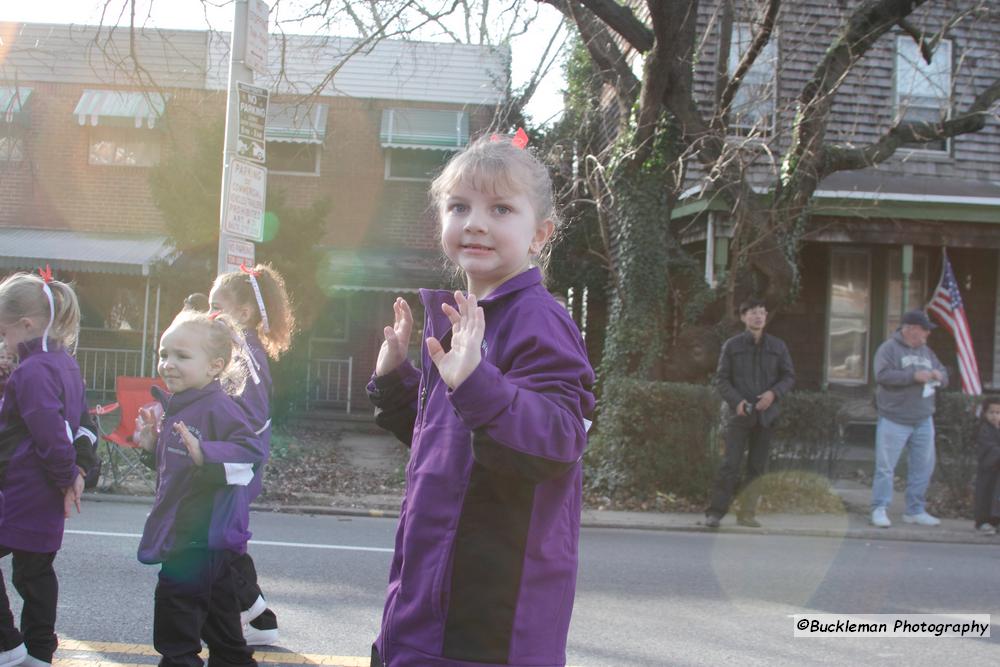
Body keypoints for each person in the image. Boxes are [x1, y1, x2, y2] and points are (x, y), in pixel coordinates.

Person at [367, 133, 595, 667]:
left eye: (501, 209)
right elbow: (443, 439)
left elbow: (559, 438)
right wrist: (396, 378)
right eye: (459, 206)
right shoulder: (462, 317)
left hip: (490, 613)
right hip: (424, 593)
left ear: (540, 234)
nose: (475, 222)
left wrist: (476, 382)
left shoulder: (538, 319)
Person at [135, 309, 264, 667]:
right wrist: (151, 449)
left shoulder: (218, 406)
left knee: (176, 633)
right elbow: (178, 469)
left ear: (214, 367)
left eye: (182, 356)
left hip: (196, 536)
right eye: (164, 354)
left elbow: (252, 455)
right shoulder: (181, 406)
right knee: (224, 634)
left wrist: (205, 453)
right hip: (201, 541)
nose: (168, 364)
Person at [0, 270, 87, 667]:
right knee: (35, 573)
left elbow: (48, 432)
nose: (4, 341)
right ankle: (37, 651)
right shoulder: (64, 363)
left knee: (32, 573)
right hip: (46, 490)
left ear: (27, 324)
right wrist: (73, 476)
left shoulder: (31, 371)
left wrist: (68, 474)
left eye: (5, 332)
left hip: (23, 488)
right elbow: (73, 424)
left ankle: (9, 646)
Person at [207, 264, 294, 646]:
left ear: (242, 313)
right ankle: (260, 622)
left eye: (215, 306)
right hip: (233, 462)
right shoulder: (240, 350)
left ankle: (252, 620)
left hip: (236, 465)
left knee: (219, 545)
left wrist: (221, 451)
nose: (209, 315)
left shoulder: (244, 355)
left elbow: (252, 417)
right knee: (223, 543)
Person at [705, 299, 795, 529]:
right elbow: (722, 379)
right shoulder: (732, 346)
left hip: (766, 416)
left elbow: (788, 377)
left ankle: (747, 513)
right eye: (754, 313)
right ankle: (715, 513)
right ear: (744, 317)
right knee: (730, 464)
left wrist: (773, 394)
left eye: (762, 313)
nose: (759, 317)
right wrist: (737, 401)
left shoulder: (778, 346)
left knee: (757, 467)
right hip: (739, 414)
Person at [870, 309, 948, 528]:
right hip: (894, 418)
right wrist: (913, 376)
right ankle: (879, 508)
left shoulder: (927, 352)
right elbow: (882, 375)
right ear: (911, 329)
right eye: (924, 330)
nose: (927, 334)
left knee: (923, 467)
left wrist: (939, 376)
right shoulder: (888, 349)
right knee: (885, 467)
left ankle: (915, 510)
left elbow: (944, 373)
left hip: (923, 418)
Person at [972, 396, 1000, 534]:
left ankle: (996, 522)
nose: (995, 416)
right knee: (986, 495)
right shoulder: (984, 429)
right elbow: (987, 448)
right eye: (991, 412)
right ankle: (983, 522)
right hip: (988, 470)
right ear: (984, 413)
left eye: (998, 413)